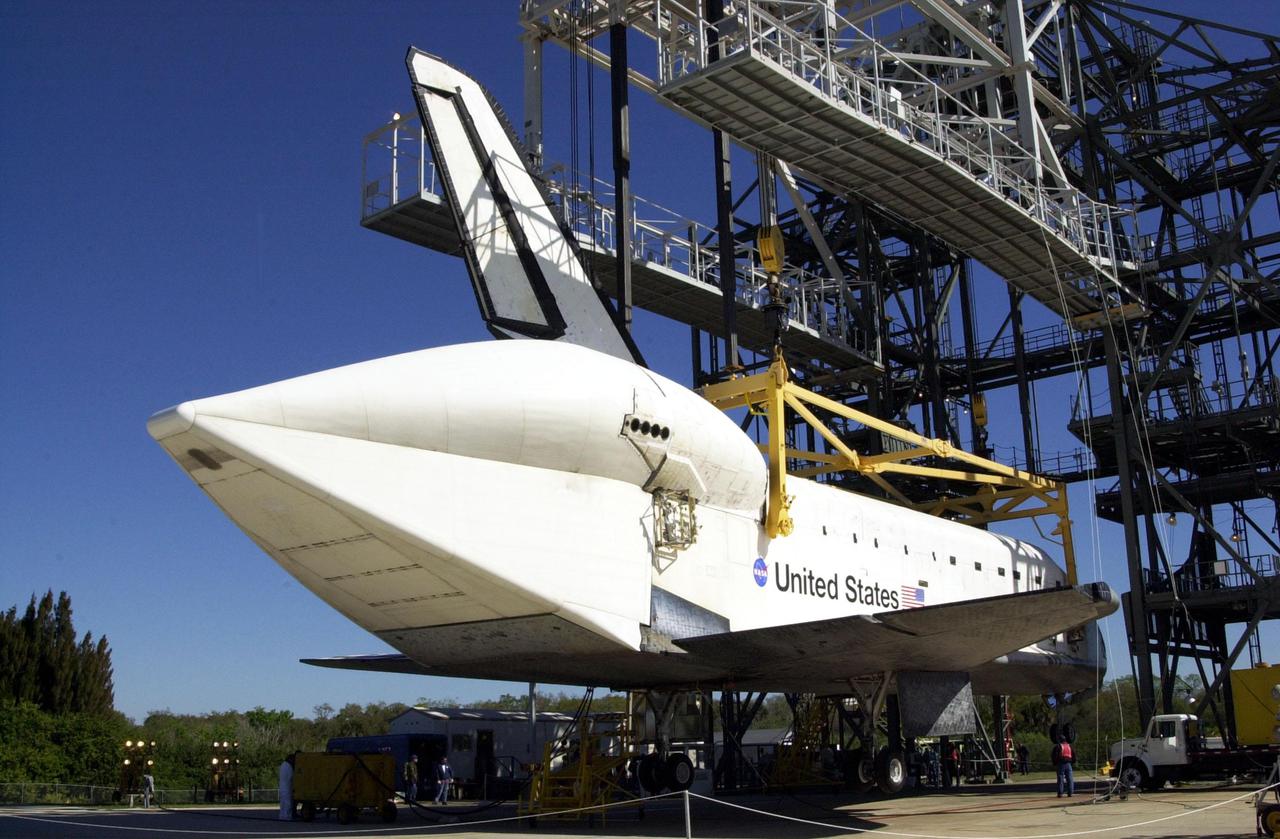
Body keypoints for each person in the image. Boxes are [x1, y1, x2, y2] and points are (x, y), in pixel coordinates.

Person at [278, 753, 296, 820]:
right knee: (288, 803)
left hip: (282, 786)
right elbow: (291, 777)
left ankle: (282, 815)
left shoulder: (283, 765)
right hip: (287, 787)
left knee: (283, 802)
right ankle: (287, 816)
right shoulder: (288, 766)